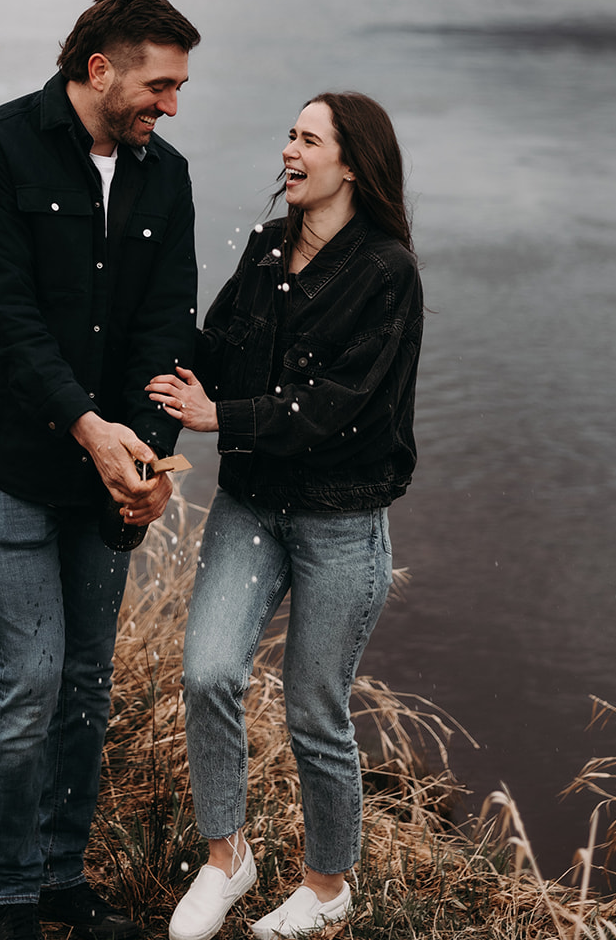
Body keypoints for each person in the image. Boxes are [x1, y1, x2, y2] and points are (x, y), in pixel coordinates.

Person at [0, 0, 201, 940]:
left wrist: (147, 462)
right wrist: (89, 430)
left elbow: (166, 327)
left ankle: (60, 881)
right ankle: (10, 900)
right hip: (2, 452)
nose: (169, 106)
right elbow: (3, 318)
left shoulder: (164, 177)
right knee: (32, 677)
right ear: (100, 70)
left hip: (108, 468)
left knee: (89, 680)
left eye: (176, 89)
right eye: (159, 85)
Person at [148, 91, 423, 940]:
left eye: (308, 140)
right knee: (207, 674)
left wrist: (221, 417)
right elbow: (216, 348)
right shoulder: (268, 247)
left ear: (352, 163)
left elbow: (340, 404)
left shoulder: (387, 272)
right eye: (289, 136)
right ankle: (228, 859)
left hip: (341, 518)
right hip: (252, 504)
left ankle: (327, 886)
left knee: (314, 708)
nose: (288, 151)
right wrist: (146, 356)